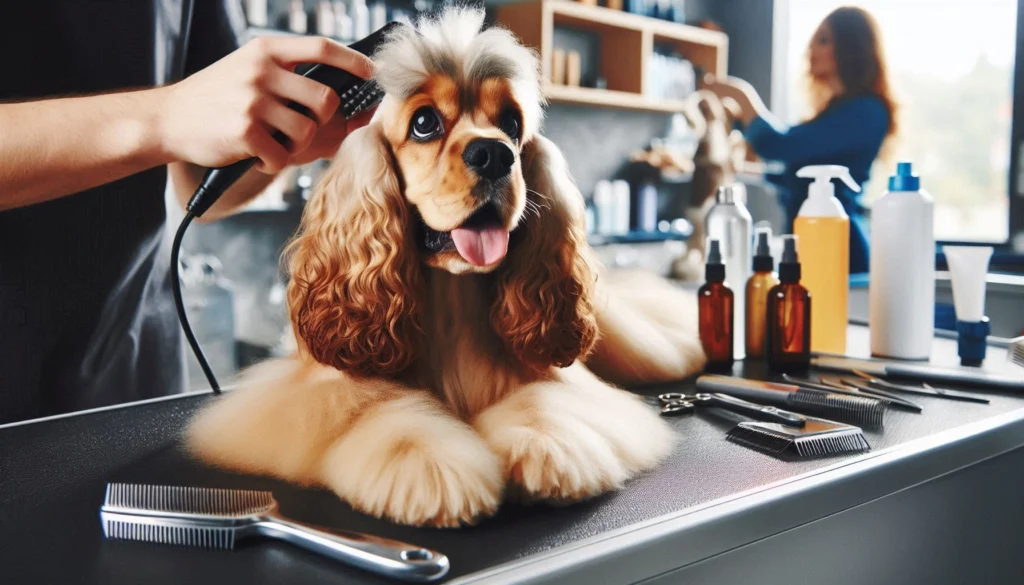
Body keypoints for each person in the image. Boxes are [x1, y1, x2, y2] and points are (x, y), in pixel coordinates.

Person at [0, 2, 375, 424]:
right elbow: (173, 123)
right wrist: (163, 118)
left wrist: (277, 144)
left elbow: (201, 191)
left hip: (135, 378)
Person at [705, 6, 898, 274]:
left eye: (823, 40)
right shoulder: (836, 111)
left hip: (839, 250)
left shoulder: (865, 112)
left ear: (851, 47)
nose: (812, 50)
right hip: (808, 242)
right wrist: (741, 170)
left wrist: (742, 97)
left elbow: (779, 146)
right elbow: (796, 178)